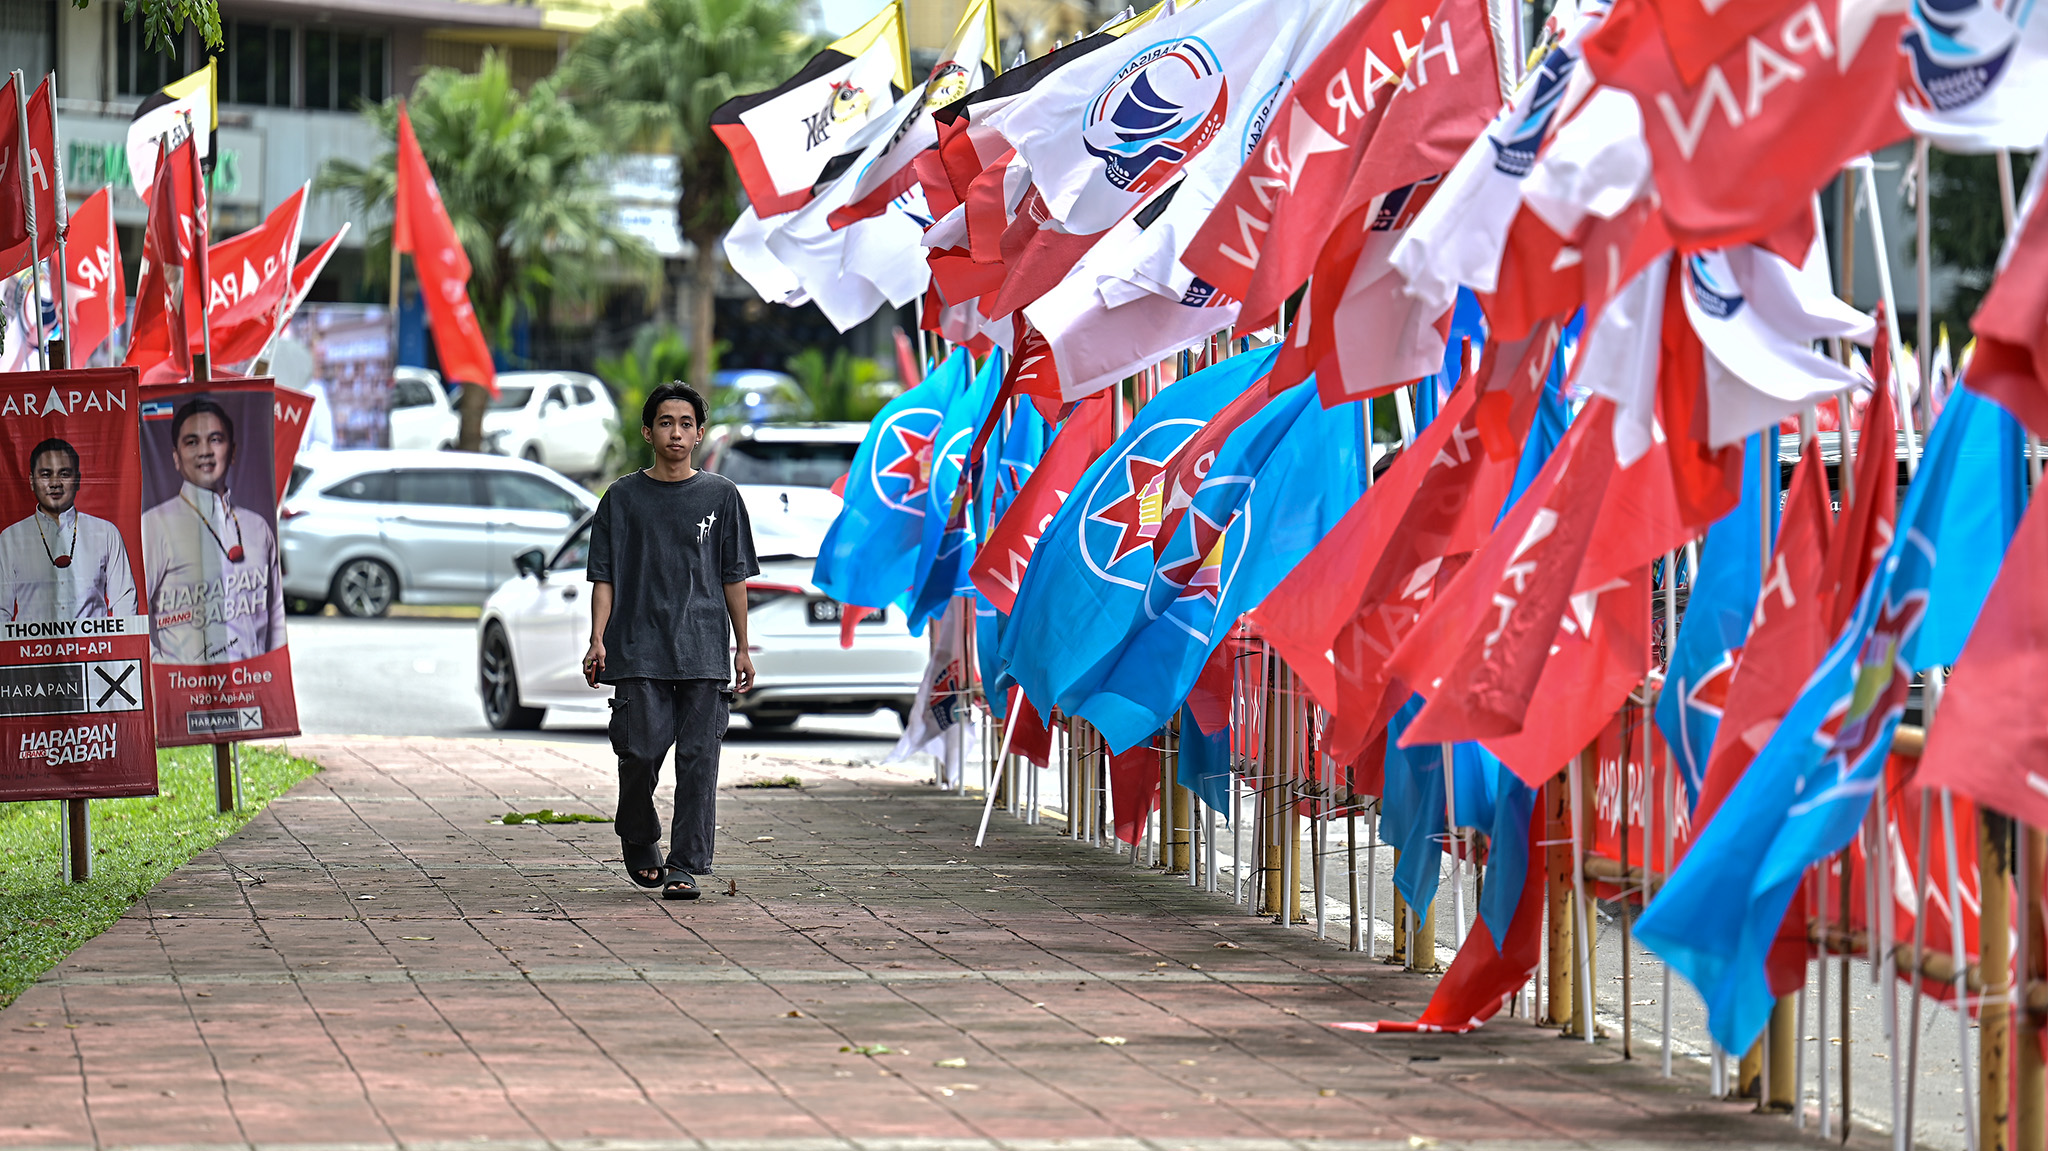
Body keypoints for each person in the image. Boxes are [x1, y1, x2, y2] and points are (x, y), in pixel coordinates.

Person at [584, 381, 759, 900]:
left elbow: (734, 576)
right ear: (647, 431)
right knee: (638, 752)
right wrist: (597, 639)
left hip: (704, 650)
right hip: (637, 648)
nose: (676, 432)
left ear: (700, 433)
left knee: (699, 760)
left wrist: (743, 647)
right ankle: (638, 834)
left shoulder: (722, 496)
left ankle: (685, 865)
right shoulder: (621, 498)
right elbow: (604, 577)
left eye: (686, 424)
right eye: (666, 422)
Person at [142, 397, 287, 664]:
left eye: (216, 439)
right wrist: (161, 673)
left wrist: (271, 674)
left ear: (232, 451)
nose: (205, 451)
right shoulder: (154, 525)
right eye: (192, 442)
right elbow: (130, 613)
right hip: (184, 692)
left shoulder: (257, 526)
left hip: (248, 688)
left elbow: (276, 614)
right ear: (176, 457)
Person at [0, 438, 137, 623]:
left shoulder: (105, 533)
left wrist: (121, 651)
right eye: (46, 475)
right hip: (33, 651)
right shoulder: (10, 539)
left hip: (94, 649)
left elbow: (124, 602)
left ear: (78, 480)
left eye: (64, 474)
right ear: (32, 481)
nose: (55, 483)